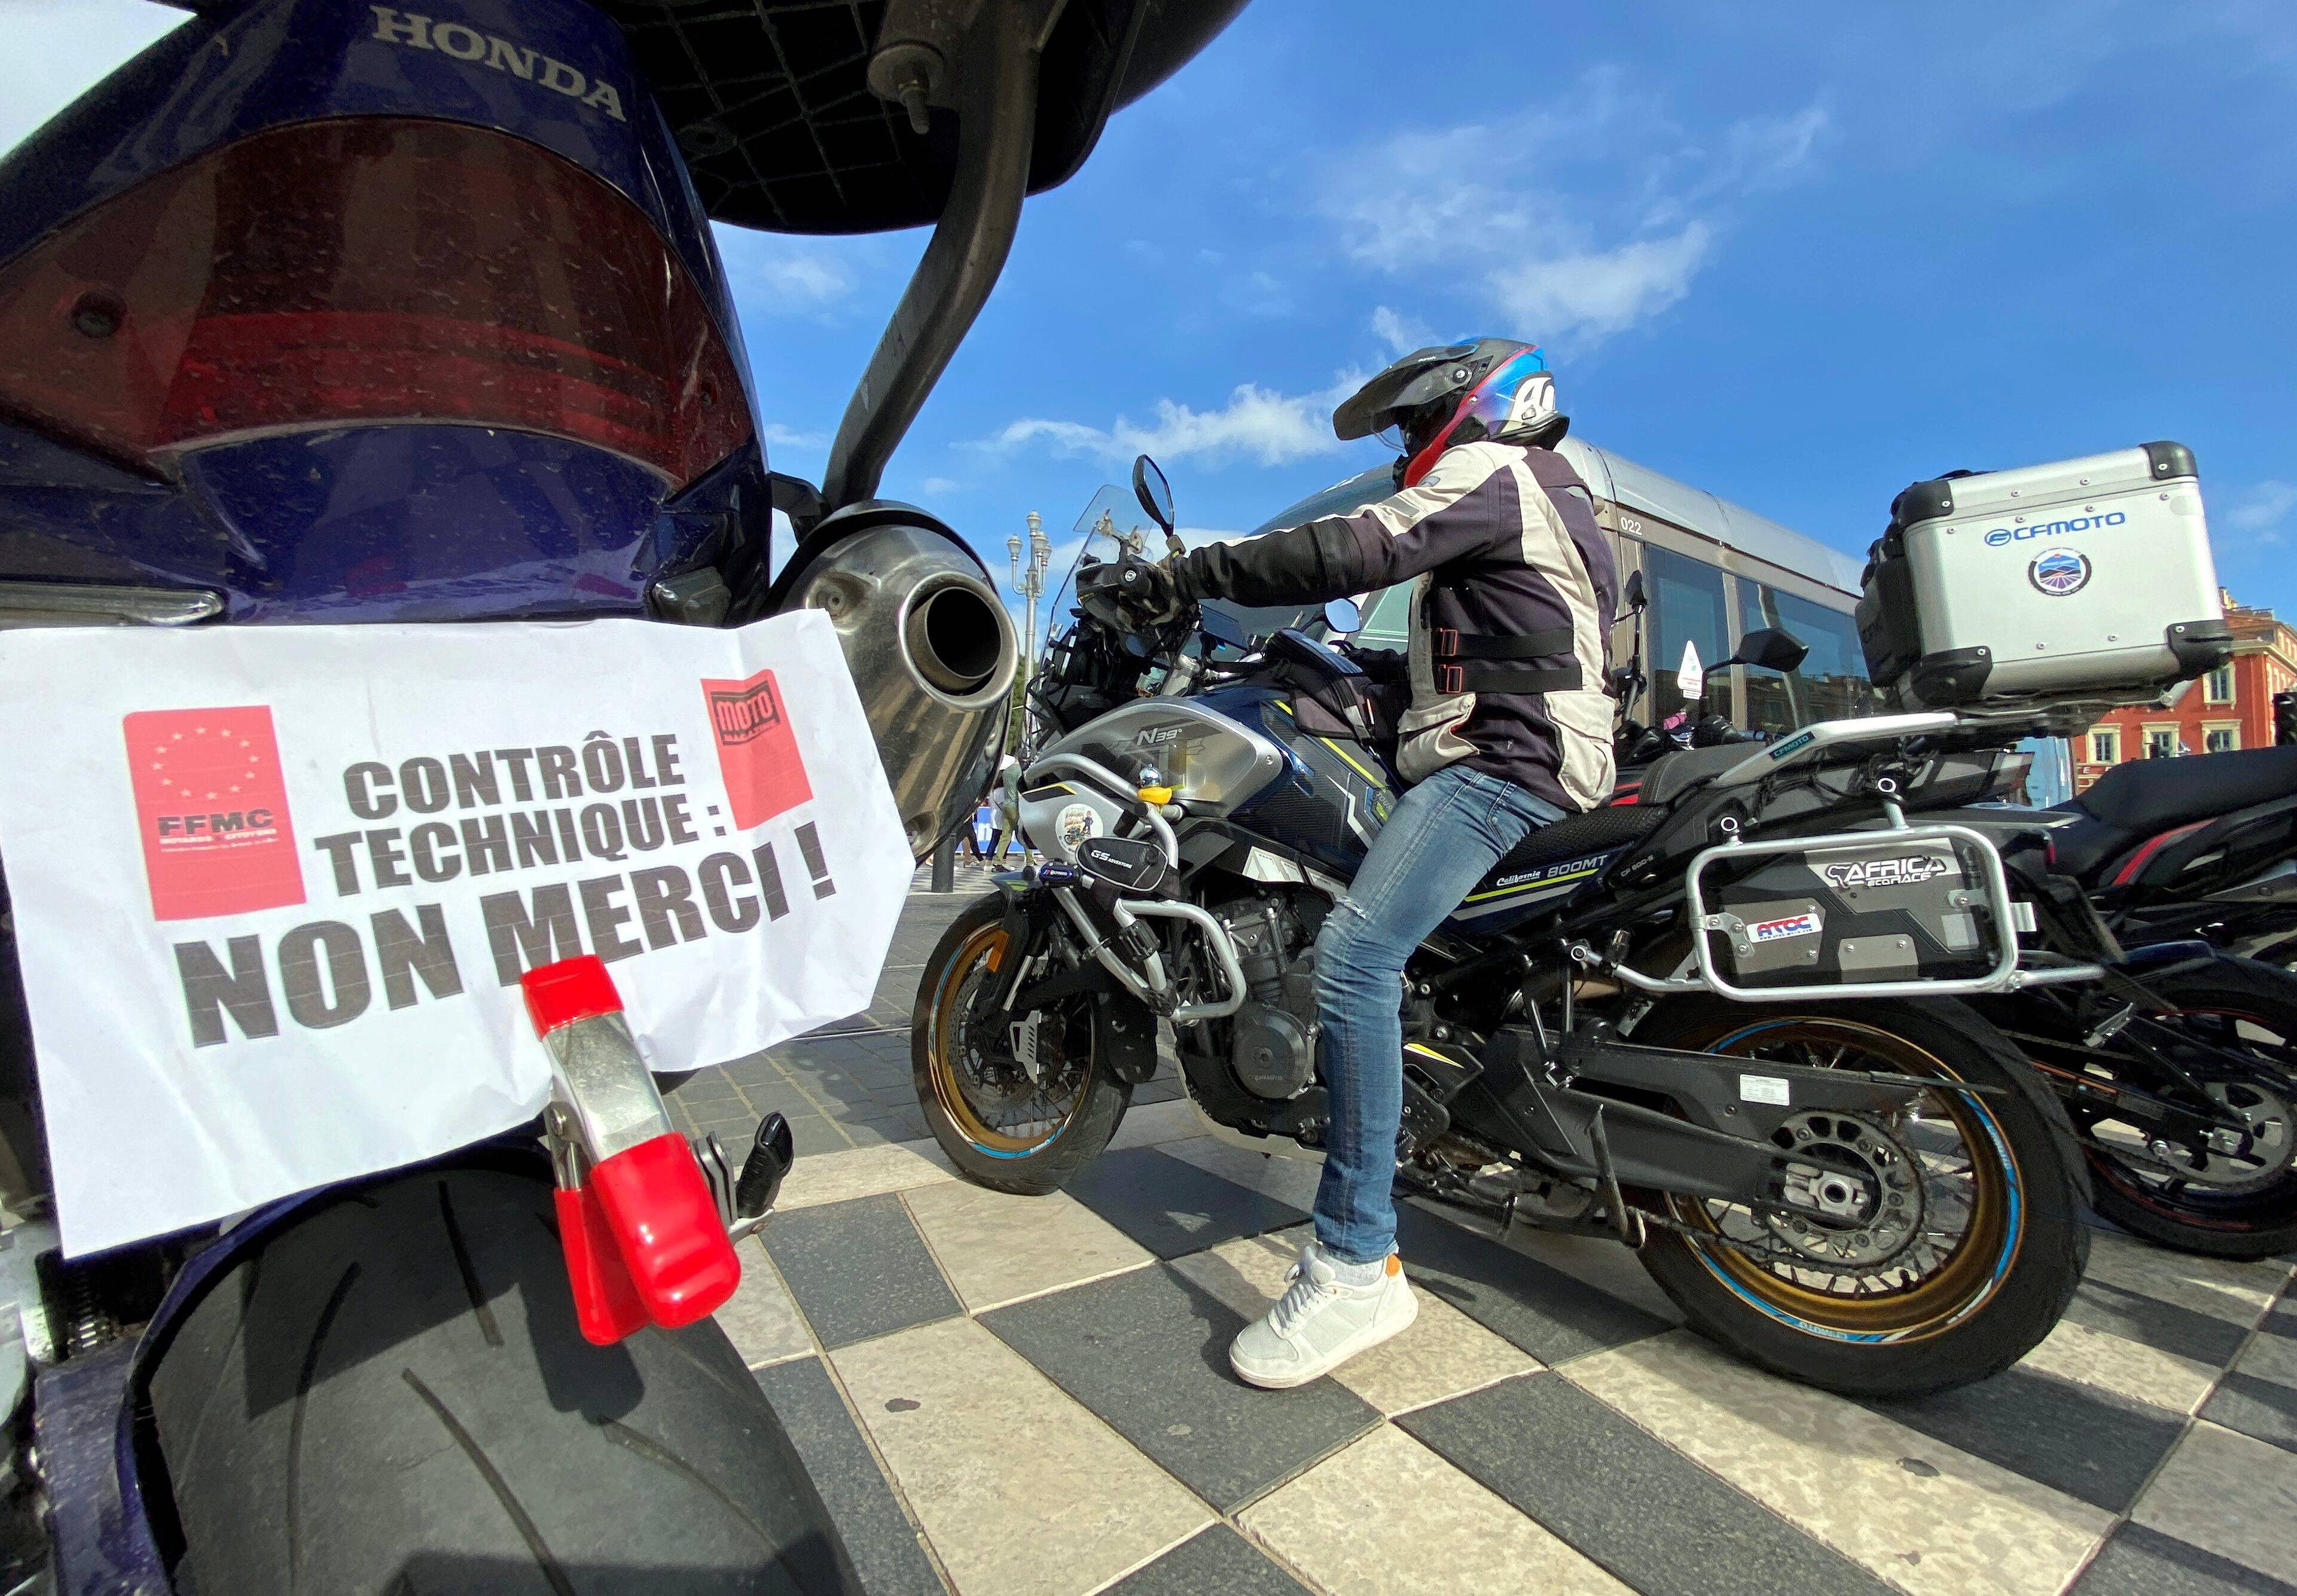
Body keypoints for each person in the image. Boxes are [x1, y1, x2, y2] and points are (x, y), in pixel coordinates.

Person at [1082, 337, 1618, 1387]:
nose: (1416, 445)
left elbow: (1358, 548)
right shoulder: (1545, 494)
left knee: (1357, 957)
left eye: (1420, 424)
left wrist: (1195, 573)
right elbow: (1480, 645)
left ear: (1478, 407)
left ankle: (1354, 1261)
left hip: (1512, 763)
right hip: (1526, 745)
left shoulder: (1499, 472)